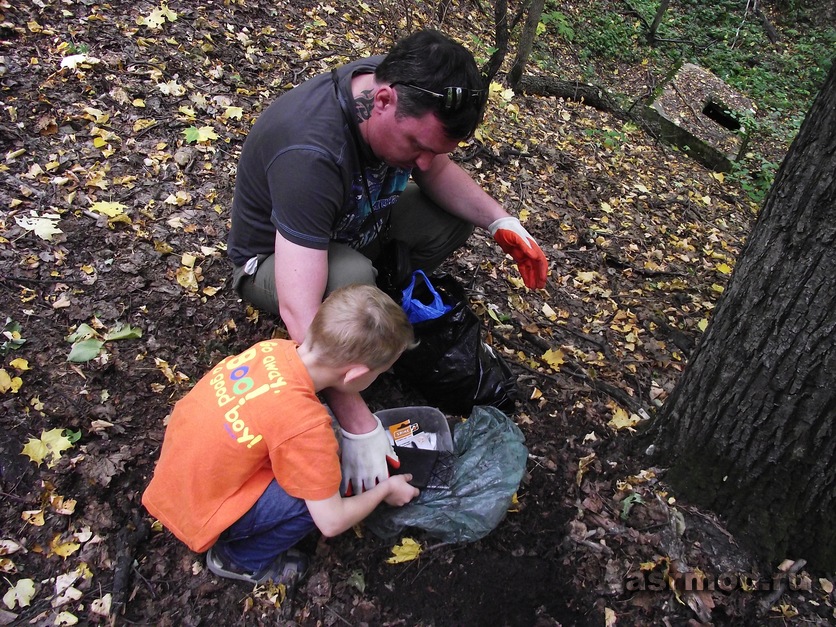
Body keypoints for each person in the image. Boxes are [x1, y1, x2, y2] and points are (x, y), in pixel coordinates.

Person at [226, 29, 548, 495]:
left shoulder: (411, 86)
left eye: (433, 150)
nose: (422, 162)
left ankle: (374, 296)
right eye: (417, 146)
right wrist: (358, 422)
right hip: (272, 261)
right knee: (353, 281)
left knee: (451, 218)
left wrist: (502, 221)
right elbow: (300, 308)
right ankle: (365, 305)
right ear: (382, 101)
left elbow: (435, 170)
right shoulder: (311, 152)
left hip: (353, 226)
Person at [141, 285, 420, 586]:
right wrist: (385, 491)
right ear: (355, 376)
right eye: (378, 373)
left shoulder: (271, 350)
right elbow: (332, 521)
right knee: (319, 489)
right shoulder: (306, 426)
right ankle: (239, 559)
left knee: (310, 464)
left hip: (178, 477)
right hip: (203, 512)